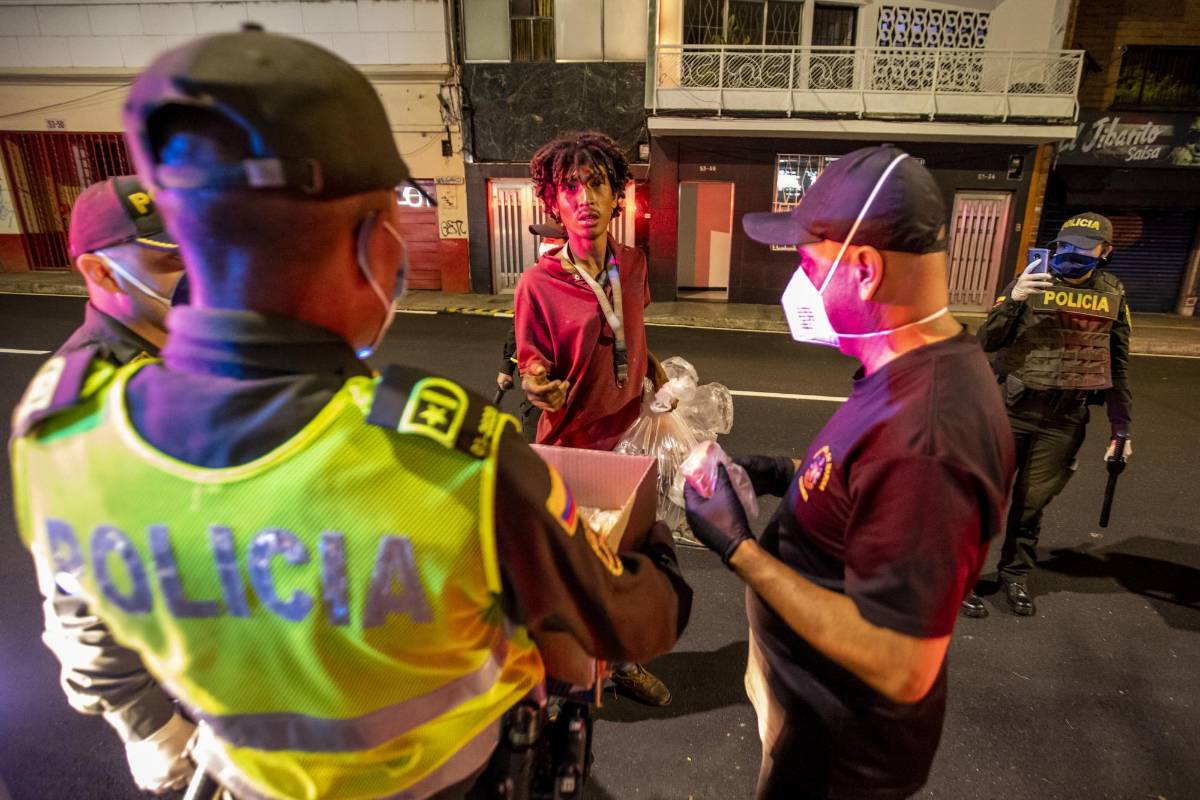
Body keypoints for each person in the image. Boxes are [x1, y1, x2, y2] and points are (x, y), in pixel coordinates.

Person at [10, 29, 691, 800]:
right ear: (378, 247)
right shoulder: (445, 457)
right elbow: (629, 616)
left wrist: (152, 733)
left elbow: (84, 628)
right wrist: (659, 540)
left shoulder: (61, 443)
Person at [683, 145, 1016, 799]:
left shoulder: (929, 435)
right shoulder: (904, 368)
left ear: (864, 269)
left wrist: (739, 549)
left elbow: (900, 665)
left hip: (839, 759)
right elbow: (867, 486)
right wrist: (787, 473)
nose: (800, 280)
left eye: (810, 261)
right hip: (808, 713)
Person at [25, 175, 192, 795]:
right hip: (179, 688)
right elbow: (73, 588)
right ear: (98, 271)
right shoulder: (80, 400)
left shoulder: (194, 356)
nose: (189, 266)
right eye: (166, 253)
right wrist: (148, 727)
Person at [513, 131, 672, 707]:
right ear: (553, 202)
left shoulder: (633, 264)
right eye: (571, 187)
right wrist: (538, 386)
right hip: (570, 448)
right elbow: (531, 363)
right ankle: (564, 676)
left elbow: (632, 332)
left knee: (626, 564)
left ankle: (622, 664)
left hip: (628, 442)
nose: (585, 197)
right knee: (570, 571)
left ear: (616, 197)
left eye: (597, 184)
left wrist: (655, 374)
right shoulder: (538, 283)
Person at [962, 212, 1132, 618]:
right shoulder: (1030, 281)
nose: (1071, 254)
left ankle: (1014, 575)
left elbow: (1117, 364)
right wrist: (1015, 298)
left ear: (1105, 252)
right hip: (1009, 409)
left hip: (1064, 419)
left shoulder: (1113, 294)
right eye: (1065, 245)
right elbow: (988, 340)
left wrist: (1121, 429)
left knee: (1032, 505)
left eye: (1083, 248)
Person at [497, 223, 565, 440]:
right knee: (534, 444)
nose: (545, 245)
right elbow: (518, 326)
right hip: (539, 378)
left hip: (570, 381)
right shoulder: (533, 280)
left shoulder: (585, 283)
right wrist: (506, 367)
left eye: (552, 240)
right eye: (544, 240)